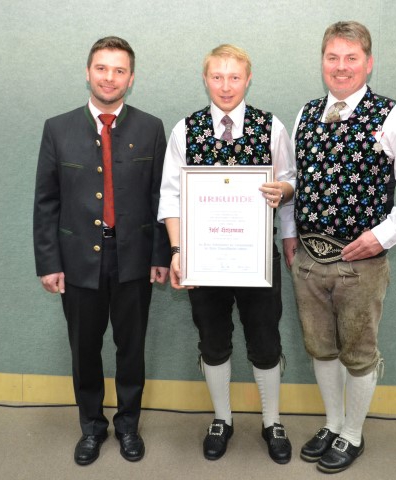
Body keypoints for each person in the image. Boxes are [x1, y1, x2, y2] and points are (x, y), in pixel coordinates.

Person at [284, 21, 396, 474]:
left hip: (361, 265)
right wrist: (289, 233)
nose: (341, 66)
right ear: (322, 62)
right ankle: (333, 424)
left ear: (368, 63)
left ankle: (352, 433)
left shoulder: (393, 115)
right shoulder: (306, 113)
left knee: (357, 352)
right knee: (320, 348)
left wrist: (382, 236)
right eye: (332, 57)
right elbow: (297, 179)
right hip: (308, 261)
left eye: (351, 58)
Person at [33, 36, 170, 466]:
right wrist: (49, 262)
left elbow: (161, 198)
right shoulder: (57, 128)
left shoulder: (151, 128)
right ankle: (92, 426)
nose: (109, 77)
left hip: (134, 259)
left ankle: (128, 425)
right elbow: (46, 202)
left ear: (131, 78)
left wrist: (160, 256)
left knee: (131, 348)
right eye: (102, 68)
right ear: (88, 72)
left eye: (119, 70)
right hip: (78, 262)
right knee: (84, 349)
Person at [158, 44, 296, 464]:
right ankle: (222, 418)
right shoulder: (186, 130)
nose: (225, 85)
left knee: (265, 340)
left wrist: (282, 189)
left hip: (257, 257)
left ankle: (272, 421)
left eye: (234, 77)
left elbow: (290, 180)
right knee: (213, 341)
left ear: (248, 79)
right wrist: (178, 250)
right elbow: (170, 196)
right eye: (217, 76)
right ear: (205, 79)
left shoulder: (271, 126)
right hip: (204, 259)